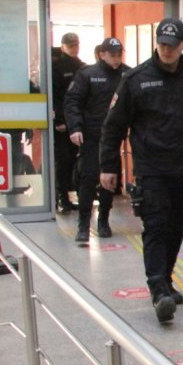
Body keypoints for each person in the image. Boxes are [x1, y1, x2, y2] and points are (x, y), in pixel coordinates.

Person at [100, 18, 183, 324]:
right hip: (152, 169)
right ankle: (158, 289)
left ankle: (165, 280)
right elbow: (113, 126)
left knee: (177, 224)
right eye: (162, 44)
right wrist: (107, 166)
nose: (166, 50)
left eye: (173, 44)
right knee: (155, 226)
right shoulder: (136, 79)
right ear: (157, 43)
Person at [64, 37, 129, 245]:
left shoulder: (128, 75)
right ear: (102, 54)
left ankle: (103, 221)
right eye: (112, 55)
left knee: (109, 181)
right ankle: (83, 224)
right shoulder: (88, 74)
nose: (117, 59)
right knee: (88, 179)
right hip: (91, 136)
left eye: (119, 55)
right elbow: (72, 101)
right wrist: (75, 127)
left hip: (113, 138)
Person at [52, 32, 85, 212]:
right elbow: (56, 97)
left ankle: (77, 195)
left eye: (76, 44)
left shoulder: (81, 66)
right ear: (63, 46)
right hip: (63, 124)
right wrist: (60, 120)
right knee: (63, 161)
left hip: (78, 122)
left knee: (76, 161)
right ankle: (62, 197)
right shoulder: (56, 67)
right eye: (71, 45)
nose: (74, 48)